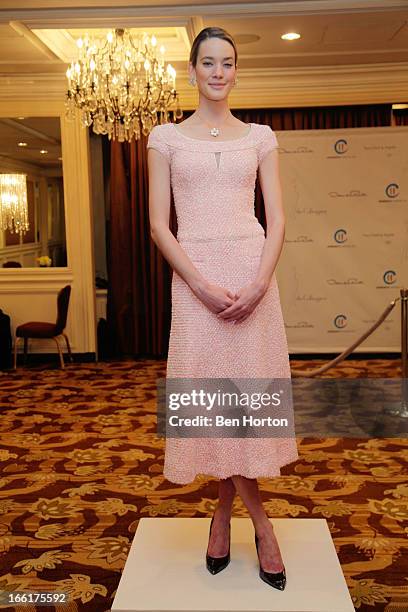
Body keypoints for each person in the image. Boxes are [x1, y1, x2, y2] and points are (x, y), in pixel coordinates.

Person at [147, 26, 299, 591]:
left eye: (227, 63)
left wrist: (260, 282)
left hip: (253, 274)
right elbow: (160, 226)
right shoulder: (165, 137)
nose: (218, 71)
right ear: (192, 70)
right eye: (207, 62)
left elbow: (278, 217)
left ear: (236, 71)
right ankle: (261, 523)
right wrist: (202, 286)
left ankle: (222, 514)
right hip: (195, 281)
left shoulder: (260, 135)